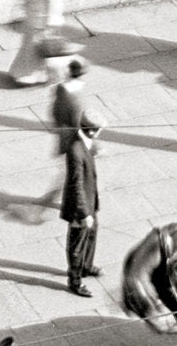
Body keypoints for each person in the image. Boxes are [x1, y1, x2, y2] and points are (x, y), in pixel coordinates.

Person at [61, 109, 105, 297]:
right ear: (92, 131)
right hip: (80, 207)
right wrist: (84, 213)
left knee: (92, 235)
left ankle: (86, 266)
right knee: (77, 244)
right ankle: (75, 281)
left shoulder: (85, 142)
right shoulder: (76, 150)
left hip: (89, 200)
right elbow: (76, 185)